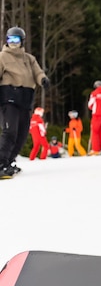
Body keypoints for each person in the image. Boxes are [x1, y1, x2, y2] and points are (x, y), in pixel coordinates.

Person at [0, 26, 49, 179]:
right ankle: (0, 162)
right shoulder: (2, 56)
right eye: (10, 39)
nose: (13, 43)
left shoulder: (28, 58)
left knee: (22, 134)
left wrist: (43, 80)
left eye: (16, 39)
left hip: (25, 99)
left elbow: (37, 72)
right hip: (9, 97)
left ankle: (8, 161)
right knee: (10, 132)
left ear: (22, 41)